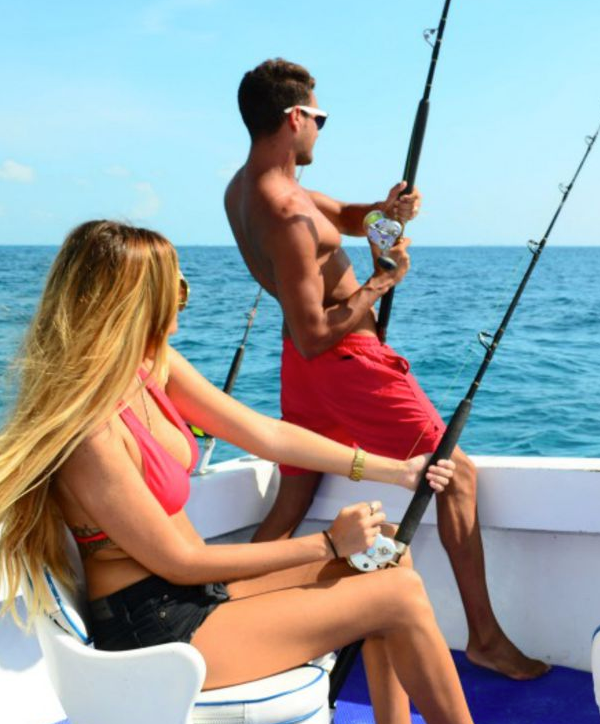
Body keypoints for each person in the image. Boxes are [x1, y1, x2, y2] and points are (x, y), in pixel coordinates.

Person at [0, 220, 476, 724]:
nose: (183, 298)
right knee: (396, 594)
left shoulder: (150, 366)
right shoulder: (89, 432)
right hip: (156, 632)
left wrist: (396, 469)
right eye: (173, 288)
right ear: (134, 305)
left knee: (388, 556)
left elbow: (268, 435)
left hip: (198, 598)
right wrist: (328, 545)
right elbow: (183, 561)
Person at [224, 58, 548, 680]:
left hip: (301, 369)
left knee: (295, 493)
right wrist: (380, 280)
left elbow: (344, 217)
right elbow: (318, 331)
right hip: (342, 362)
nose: (321, 127)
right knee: (455, 475)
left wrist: (386, 211)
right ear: (294, 118)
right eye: (318, 116)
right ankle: (484, 637)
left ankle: (228, 612)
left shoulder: (249, 187)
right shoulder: (284, 210)